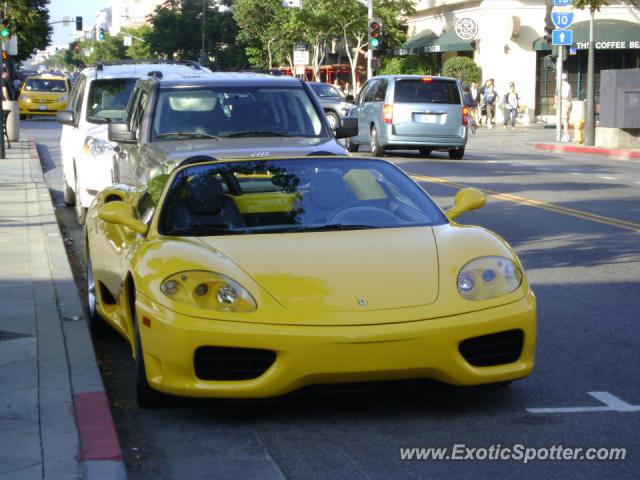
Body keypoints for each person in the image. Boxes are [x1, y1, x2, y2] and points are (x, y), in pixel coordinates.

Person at [560, 73, 572, 142]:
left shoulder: (565, 85)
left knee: (565, 120)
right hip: (566, 103)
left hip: (566, 103)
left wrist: (559, 98)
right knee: (565, 120)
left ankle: (566, 136)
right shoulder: (564, 85)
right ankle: (567, 135)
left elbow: (565, 96)